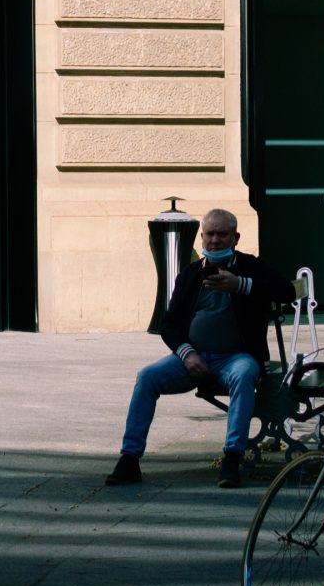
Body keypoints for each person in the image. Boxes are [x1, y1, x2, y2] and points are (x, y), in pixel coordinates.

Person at [107, 207, 285, 488]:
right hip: (193, 357)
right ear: (201, 238)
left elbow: (286, 290)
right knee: (147, 377)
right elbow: (169, 324)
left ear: (235, 238)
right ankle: (129, 459)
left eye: (222, 234)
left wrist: (241, 285)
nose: (215, 240)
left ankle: (232, 458)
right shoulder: (190, 275)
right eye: (210, 234)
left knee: (244, 374)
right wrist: (187, 354)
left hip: (235, 358)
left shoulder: (250, 266)